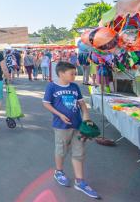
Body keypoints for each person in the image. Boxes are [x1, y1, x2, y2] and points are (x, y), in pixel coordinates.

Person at [43, 62, 99, 199]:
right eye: (72, 73)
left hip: (78, 125)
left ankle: (80, 181)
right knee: (61, 149)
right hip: (61, 126)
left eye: (75, 73)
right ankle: (59, 172)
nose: (75, 75)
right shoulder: (52, 86)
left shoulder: (74, 87)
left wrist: (86, 119)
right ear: (61, 73)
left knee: (79, 152)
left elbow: (82, 104)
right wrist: (60, 115)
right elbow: (46, 103)